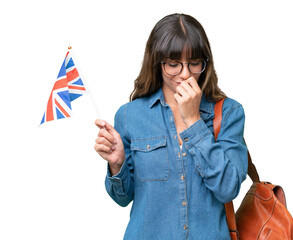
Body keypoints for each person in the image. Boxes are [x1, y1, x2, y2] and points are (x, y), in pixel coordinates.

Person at [94, 13, 248, 240]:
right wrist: (117, 165)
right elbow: (123, 199)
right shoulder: (129, 116)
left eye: (194, 63)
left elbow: (228, 189)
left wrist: (194, 121)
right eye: (174, 64)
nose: (185, 74)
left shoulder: (229, 113)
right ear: (157, 62)